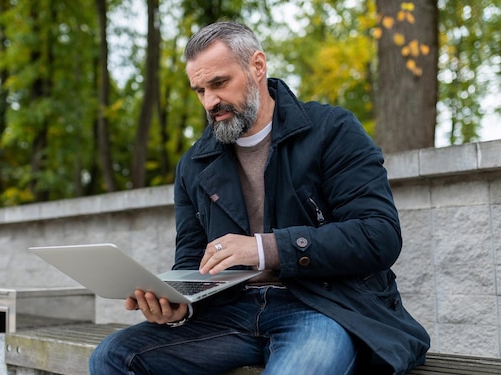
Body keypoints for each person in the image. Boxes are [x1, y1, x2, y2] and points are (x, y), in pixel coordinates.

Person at [89, 21, 430, 375]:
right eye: (199, 90)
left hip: (323, 306)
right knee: (113, 356)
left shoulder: (332, 130)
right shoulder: (193, 164)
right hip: (228, 315)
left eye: (219, 84)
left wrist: (265, 248)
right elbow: (192, 261)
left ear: (257, 66)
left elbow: (379, 235)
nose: (210, 102)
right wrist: (179, 305)